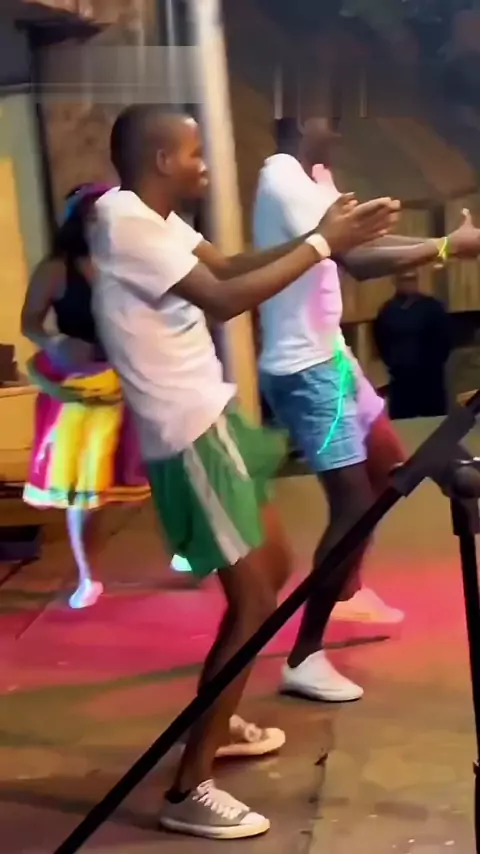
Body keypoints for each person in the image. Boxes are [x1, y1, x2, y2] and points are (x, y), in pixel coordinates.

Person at [89, 105, 399, 839]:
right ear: (161, 160)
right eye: (195, 153)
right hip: (188, 432)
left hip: (211, 419)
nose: (205, 165)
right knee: (255, 596)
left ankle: (218, 721)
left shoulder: (154, 220)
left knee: (275, 567)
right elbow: (226, 301)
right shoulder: (126, 223)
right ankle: (187, 790)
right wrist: (323, 242)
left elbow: (227, 267)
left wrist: (327, 238)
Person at [253, 116, 480, 704]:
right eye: (327, 115)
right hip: (306, 369)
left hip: (330, 354)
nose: (339, 124)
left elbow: (366, 246)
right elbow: (356, 258)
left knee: (386, 465)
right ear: (301, 117)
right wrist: (447, 248)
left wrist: (449, 245)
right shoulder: (282, 177)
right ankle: (304, 657)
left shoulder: (316, 178)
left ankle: (346, 590)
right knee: (353, 505)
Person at [21, 183, 151, 609]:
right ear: (78, 220)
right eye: (95, 214)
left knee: (163, 473)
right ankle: (87, 575)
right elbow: (30, 322)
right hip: (82, 387)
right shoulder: (57, 269)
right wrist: (55, 342)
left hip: (133, 378)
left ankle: (191, 548)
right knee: (84, 490)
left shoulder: (131, 263)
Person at [374, 269, 451, 418]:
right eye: (404, 280)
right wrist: (393, 362)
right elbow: (381, 339)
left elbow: (445, 338)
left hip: (430, 380)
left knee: (433, 421)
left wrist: (433, 363)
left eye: (412, 279)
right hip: (401, 380)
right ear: (396, 282)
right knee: (403, 424)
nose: (409, 284)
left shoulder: (432, 307)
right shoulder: (388, 310)